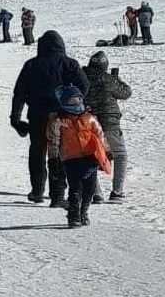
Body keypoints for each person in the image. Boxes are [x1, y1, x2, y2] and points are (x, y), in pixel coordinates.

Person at [9, 31, 89, 206]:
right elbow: (84, 85)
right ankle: (57, 195)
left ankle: (37, 191)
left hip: (37, 115)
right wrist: (75, 105)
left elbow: (19, 94)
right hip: (63, 116)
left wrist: (15, 118)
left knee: (37, 152)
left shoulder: (31, 65)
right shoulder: (70, 64)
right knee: (59, 153)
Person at [48, 86, 110, 228]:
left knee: (90, 188)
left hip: (90, 157)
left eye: (78, 100)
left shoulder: (89, 118)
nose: (76, 104)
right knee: (75, 189)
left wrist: (107, 151)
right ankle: (73, 215)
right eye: (72, 101)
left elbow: (100, 135)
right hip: (71, 159)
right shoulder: (59, 120)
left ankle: (83, 212)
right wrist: (53, 159)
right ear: (64, 103)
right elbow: (54, 140)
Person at [84, 52, 130, 202]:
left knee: (90, 156)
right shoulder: (108, 79)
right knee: (120, 154)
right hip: (110, 123)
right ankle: (117, 192)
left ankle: (96, 193)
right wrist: (116, 78)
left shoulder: (82, 77)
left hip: (89, 122)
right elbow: (126, 92)